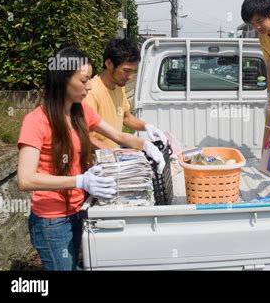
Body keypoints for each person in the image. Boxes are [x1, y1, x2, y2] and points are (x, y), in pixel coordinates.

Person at [17, 47, 165, 271]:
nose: (89, 85)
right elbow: (26, 179)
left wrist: (146, 143)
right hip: (51, 219)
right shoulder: (36, 121)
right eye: (84, 79)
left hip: (79, 209)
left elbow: (117, 135)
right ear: (63, 79)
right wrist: (80, 181)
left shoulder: (80, 112)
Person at [83, 38, 167, 149]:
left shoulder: (119, 86)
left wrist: (147, 127)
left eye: (133, 71)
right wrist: (115, 154)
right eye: (127, 70)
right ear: (109, 64)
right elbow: (85, 138)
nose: (130, 77)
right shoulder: (91, 93)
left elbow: (126, 117)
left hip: (114, 158)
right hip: (97, 161)